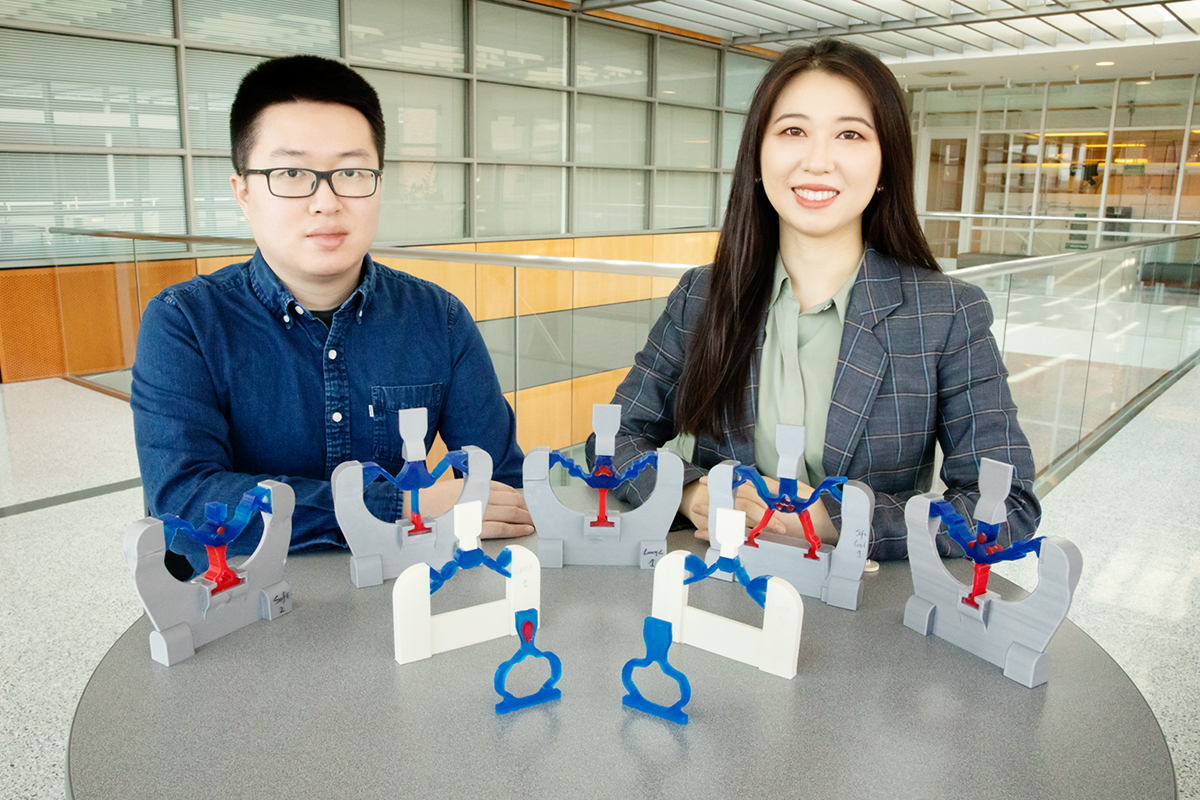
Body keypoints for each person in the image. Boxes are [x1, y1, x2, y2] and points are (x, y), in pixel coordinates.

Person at [596, 39, 1040, 560]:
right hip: (719, 585)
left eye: (850, 134)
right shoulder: (704, 294)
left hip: (864, 610)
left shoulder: (947, 314)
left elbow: (1007, 508)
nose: (817, 161)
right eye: (793, 131)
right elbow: (616, 438)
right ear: (758, 157)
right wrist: (693, 493)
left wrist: (838, 519)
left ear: (885, 164)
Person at [132, 55, 532, 578]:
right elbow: (184, 500)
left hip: (399, 595)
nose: (326, 200)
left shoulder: (440, 319)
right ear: (244, 192)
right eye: (292, 173)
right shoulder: (183, 321)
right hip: (237, 608)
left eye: (351, 172)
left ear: (378, 183)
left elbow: (501, 486)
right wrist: (399, 506)